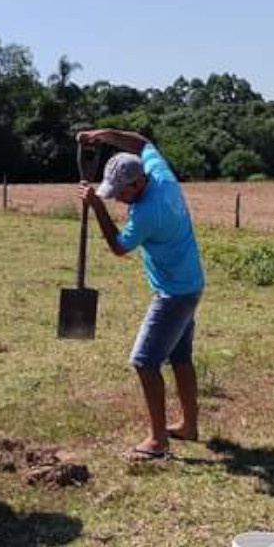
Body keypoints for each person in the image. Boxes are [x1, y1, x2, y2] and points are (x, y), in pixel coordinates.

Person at [77, 129, 206, 461]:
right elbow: (142, 143)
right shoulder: (159, 173)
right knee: (179, 358)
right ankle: (189, 426)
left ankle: (157, 440)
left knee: (145, 361)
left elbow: (119, 247)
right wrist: (101, 135)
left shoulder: (150, 211)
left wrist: (96, 208)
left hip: (173, 294)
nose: (117, 198)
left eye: (120, 193)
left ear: (137, 184)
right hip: (190, 283)